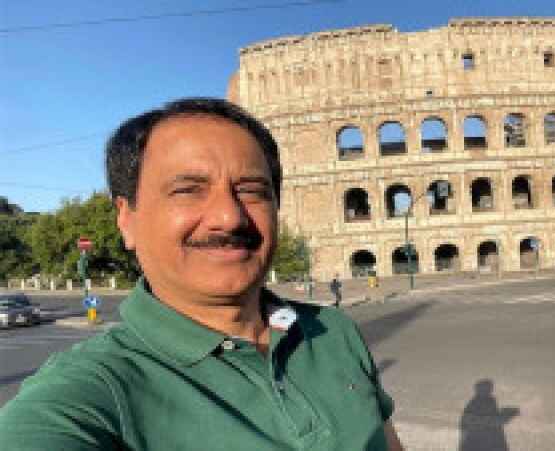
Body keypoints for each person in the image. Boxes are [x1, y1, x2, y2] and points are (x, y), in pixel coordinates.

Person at [0, 98, 404, 451]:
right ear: (127, 219)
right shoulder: (89, 392)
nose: (229, 217)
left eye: (251, 190)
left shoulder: (333, 330)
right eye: (188, 190)